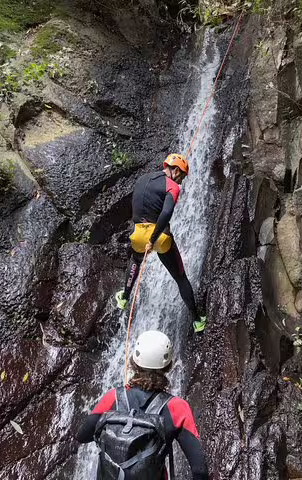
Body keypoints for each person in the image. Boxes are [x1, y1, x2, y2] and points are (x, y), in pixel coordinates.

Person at [76, 330, 208, 480]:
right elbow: (199, 470)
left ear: (134, 362)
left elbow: (82, 436)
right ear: (168, 366)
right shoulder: (176, 407)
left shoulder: (112, 397)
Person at [115, 153, 206, 332]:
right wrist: (153, 238)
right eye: (181, 176)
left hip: (137, 234)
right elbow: (166, 213)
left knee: (136, 260)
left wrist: (145, 238)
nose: (181, 181)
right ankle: (197, 320)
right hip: (160, 236)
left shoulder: (141, 179)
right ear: (175, 169)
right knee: (180, 277)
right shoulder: (172, 186)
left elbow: (136, 205)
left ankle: (124, 297)